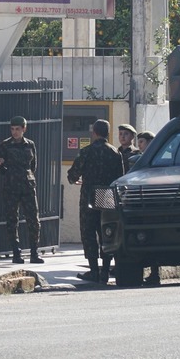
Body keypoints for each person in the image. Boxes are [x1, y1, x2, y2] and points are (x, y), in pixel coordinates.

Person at [67, 119, 124, 284]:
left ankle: (93, 270)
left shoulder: (86, 151)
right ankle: (105, 271)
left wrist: (75, 179)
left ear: (94, 133)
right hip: (107, 197)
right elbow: (120, 178)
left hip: (89, 197)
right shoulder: (115, 153)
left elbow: (73, 175)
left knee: (88, 233)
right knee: (106, 233)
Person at [0, 116, 44, 265]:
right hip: (11, 187)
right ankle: (16, 253)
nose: (15, 132)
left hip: (27, 186)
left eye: (17, 129)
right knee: (12, 220)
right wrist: (9, 174)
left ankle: (34, 253)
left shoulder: (30, 144)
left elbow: (33, 165)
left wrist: (25, 176)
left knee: (33, 220)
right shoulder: (5, 145)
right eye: (12, 129)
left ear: (24, 129)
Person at [135, 130, 160, 286]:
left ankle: (155, 273)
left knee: (153, 238)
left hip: (152, 202)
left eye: (142, 142)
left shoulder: (157, 158)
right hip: (139, 203)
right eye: (139, 142)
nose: (139, 145)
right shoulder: (138, 158)